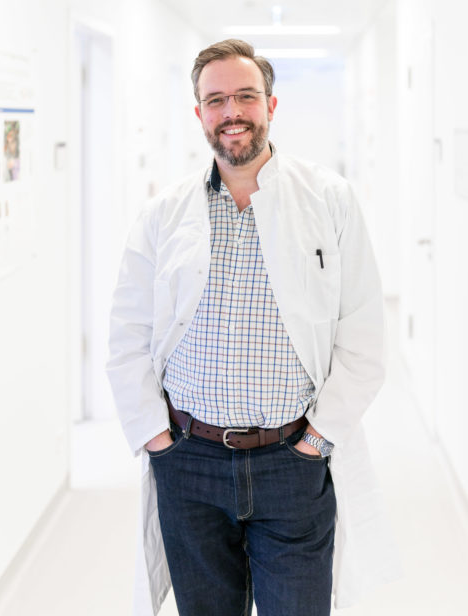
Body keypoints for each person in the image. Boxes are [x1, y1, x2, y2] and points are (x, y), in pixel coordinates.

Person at [107, 39, 399, 616]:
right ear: (198, 114)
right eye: (216, 100)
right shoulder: (164, 213)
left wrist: (317, 440)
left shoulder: (329, 199)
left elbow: (363, 337)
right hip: (189, 461)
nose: (231, 111)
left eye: (245, 96)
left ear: (270, 105)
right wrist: (158, 443)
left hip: (291, 461)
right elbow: (127, 336)